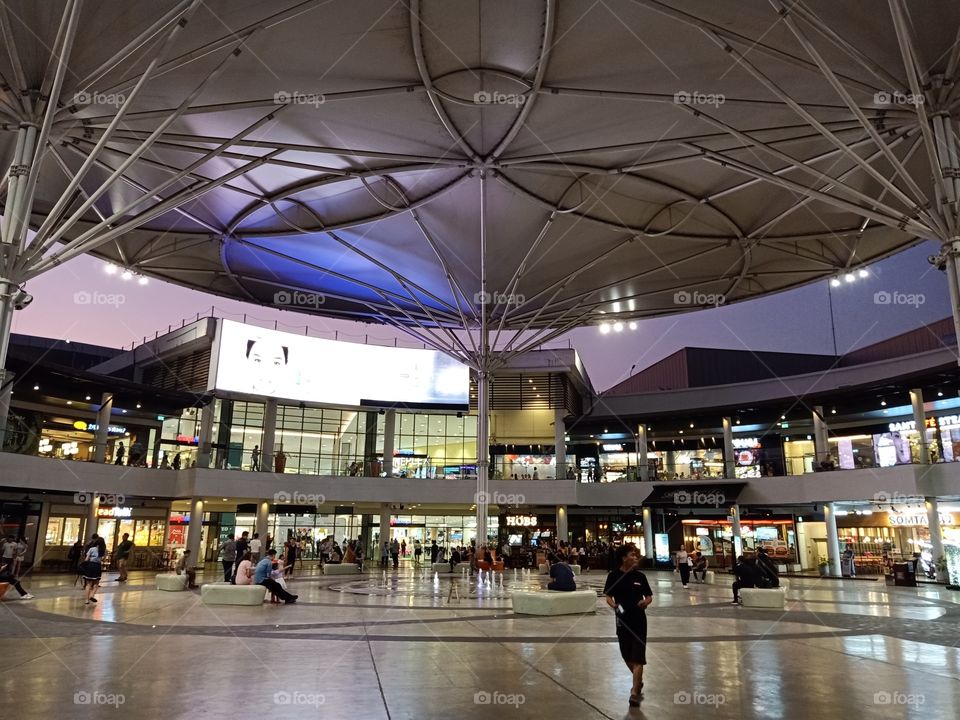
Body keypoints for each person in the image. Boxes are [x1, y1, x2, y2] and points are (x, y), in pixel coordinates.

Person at [604, 544, 653, 707]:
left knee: (638, 656)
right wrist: (614, 606)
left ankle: (634, 691)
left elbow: (649, 596)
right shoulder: (613, 576)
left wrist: (645, 602)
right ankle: (638, 680)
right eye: (632, 554)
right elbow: (608, 596)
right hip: (622, 620)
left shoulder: (640, 576)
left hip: (639, 620)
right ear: (624, 558)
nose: (635, 557)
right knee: (626, 654)